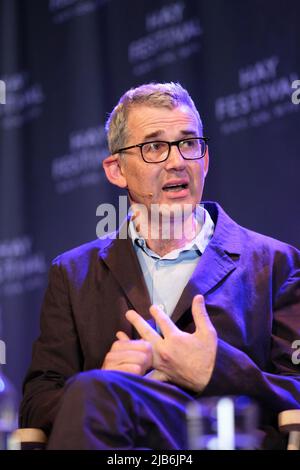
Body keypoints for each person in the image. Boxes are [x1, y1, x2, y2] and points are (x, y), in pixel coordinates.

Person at [20, 82, 300, 450]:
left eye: (188, 143)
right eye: (154, 146)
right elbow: (37, 402)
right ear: (116, 170)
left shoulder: (276, 263)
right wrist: (107, 384)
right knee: (96, 392)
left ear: (205, 159)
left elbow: (294, 384)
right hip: (118, 444)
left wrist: (215, 370)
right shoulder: (73, 274)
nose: (177, 161)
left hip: (221, 438)